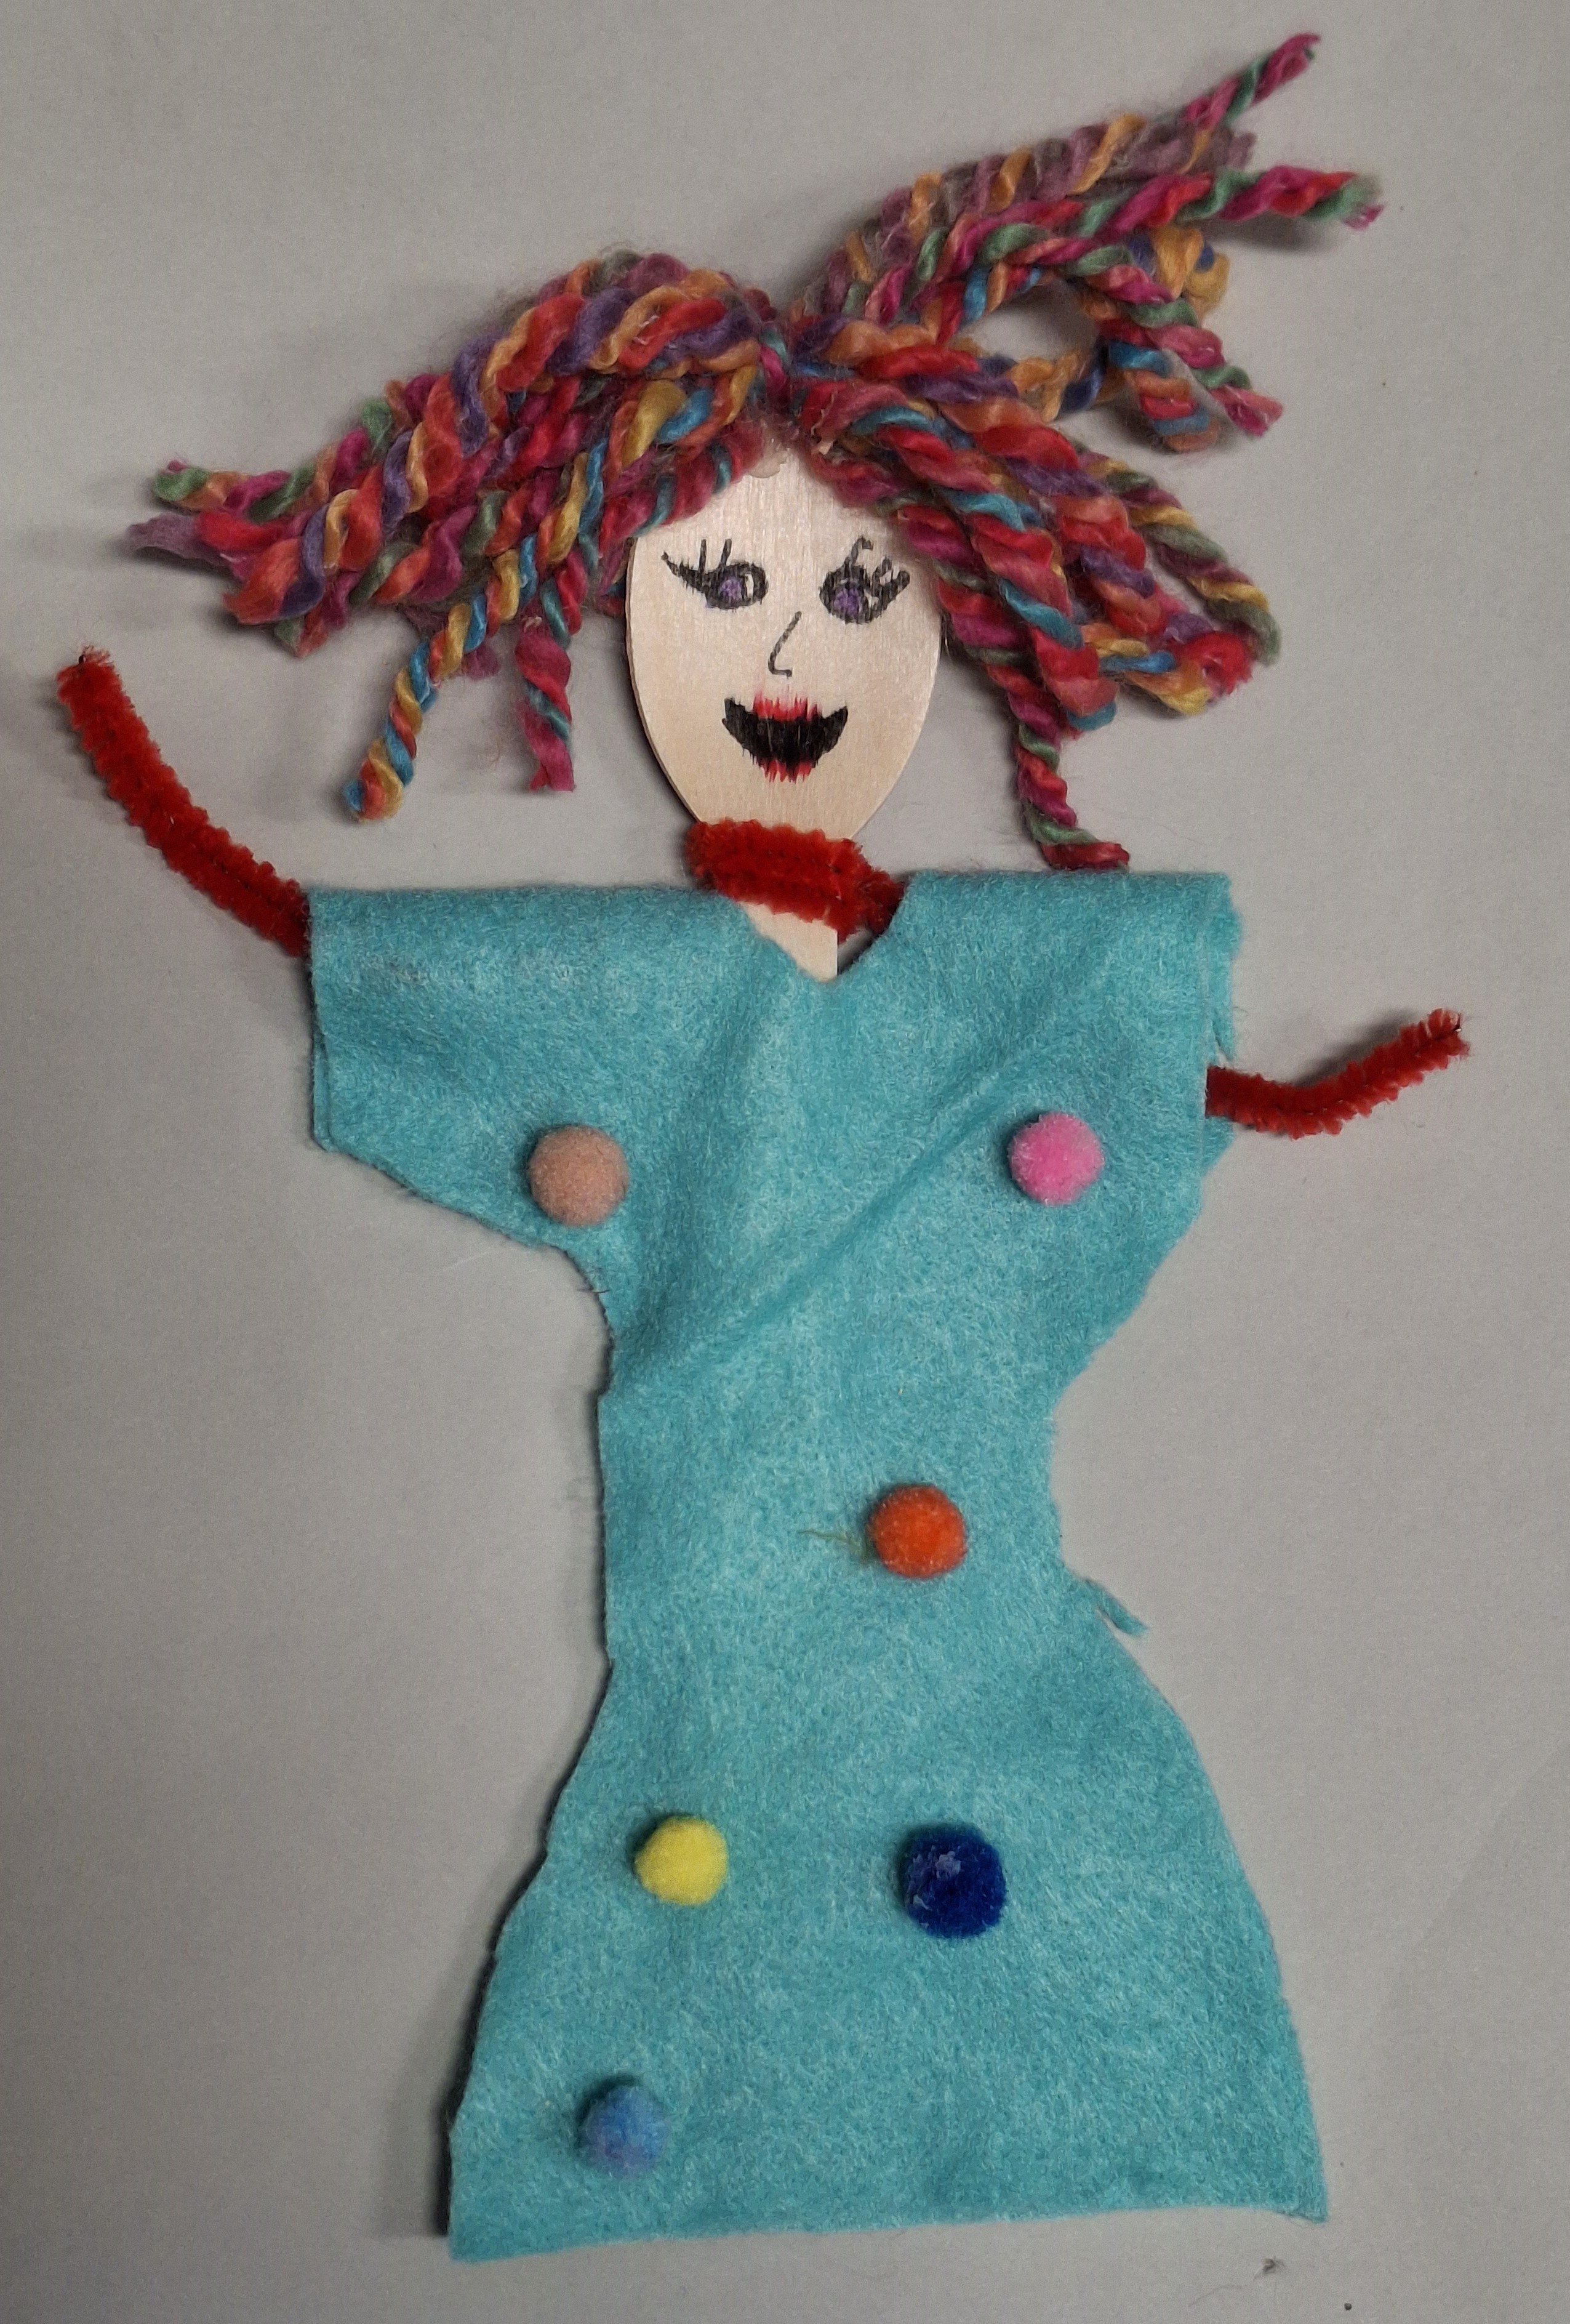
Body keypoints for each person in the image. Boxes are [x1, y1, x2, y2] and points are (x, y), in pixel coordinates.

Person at [55, 41, 1464, 2261]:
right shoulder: (689, 998)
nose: (786, 654)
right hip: (727, 1697)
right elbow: (371, 952)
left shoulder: (1033, 971)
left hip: (981, 1676)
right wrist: (193, 823)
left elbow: (1118, 1037)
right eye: (717, 600)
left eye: (845, 602)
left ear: (953, 591)